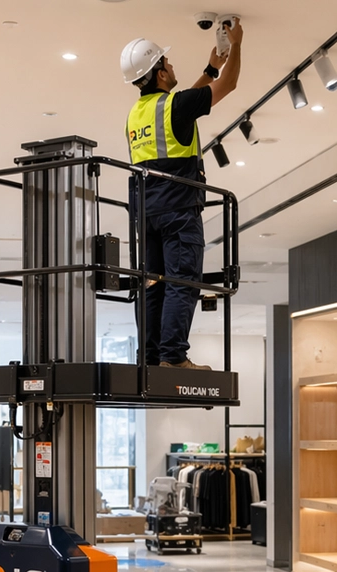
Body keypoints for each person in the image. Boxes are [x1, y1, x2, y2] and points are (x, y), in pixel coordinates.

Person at [120, 17, 243, 370]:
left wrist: (209, 68)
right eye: (167, 62)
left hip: (146, 213)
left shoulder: (136, 114)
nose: (172, 66)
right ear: (159, 73)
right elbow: (230, 85)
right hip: (178, 208)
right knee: (182, 281)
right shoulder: (173, 106)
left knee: (153, 284)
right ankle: (173, 358)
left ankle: (152, 358)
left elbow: (183, 105)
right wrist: (236, 46)